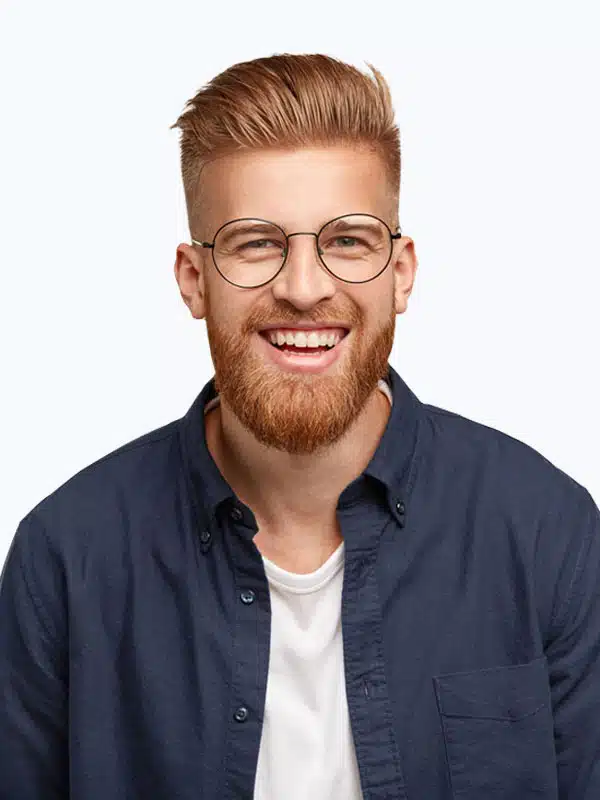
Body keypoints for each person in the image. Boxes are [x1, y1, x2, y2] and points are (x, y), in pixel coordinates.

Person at [1, 52, 598, 800]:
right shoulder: (65, 560)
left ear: (401, 271)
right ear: (194, 279)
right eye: (256, 243)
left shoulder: (549, 537)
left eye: (347, 240)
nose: (304, 288)